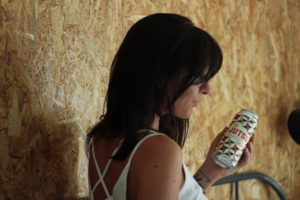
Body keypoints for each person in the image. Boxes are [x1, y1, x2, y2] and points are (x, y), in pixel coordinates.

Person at [86, 13, 254, 200]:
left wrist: (211, 172)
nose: (207, 89)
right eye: (199, 78)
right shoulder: (160, 150)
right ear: (161, 74)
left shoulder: (99, 139)